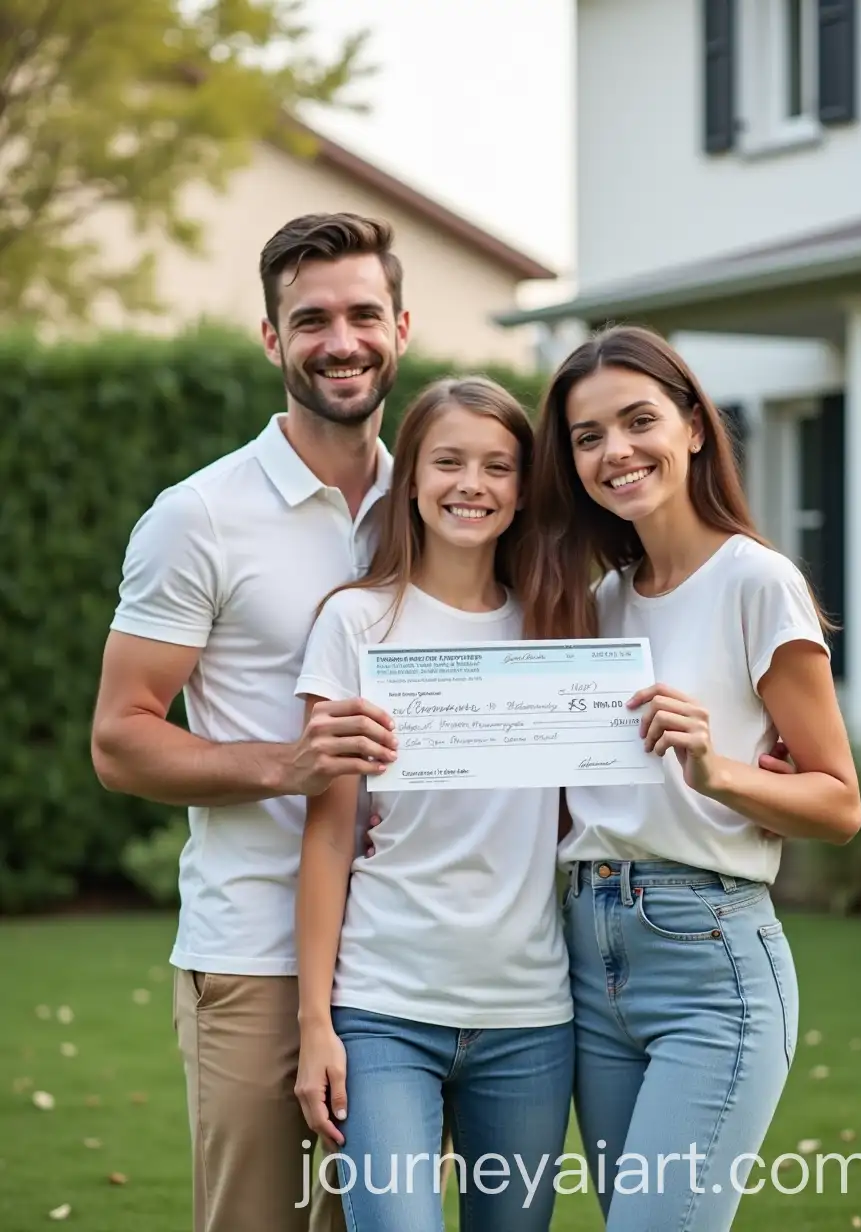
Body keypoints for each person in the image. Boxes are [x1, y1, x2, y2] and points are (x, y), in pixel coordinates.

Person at [90, 212, 410, 1232]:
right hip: (256, 952)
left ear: (401, 328)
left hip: (414, 952)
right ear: (273, 339)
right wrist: (288, 763)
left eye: (363, 314)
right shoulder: (200, 515)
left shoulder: (444, 501)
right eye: (311, 320)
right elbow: (120, 736)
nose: (341, 340)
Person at [517, 324, 861, 1232]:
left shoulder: (758, 583)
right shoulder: (598, 603)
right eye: (588, 437)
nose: (616, 451)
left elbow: (839, 803)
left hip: (708, 958)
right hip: (585, 953)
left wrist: (718, 772)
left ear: (695, 427)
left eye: (640, 421)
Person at [293, 376, 574, 1232]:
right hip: (384, 1008)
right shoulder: (355, 623)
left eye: (498, 466)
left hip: (530, 1016)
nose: (471, 485)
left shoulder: (560, 626)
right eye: (448, 462)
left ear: (523, 488)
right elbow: (329, 837)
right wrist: (315, 1025)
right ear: (410, 477)